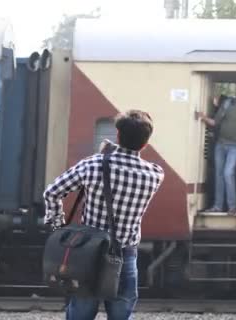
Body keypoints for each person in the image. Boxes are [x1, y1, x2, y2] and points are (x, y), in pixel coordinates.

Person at [43, 110, 164, 320]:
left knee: (80, 312)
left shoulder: (93, 164)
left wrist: (58, 227)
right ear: (145, 144)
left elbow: (52, 193)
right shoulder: (154, 175)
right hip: (124, 256)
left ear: (117, 135)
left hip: (86, 253)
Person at [195, 81, 236, 215]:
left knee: (227, 173)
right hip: (220, 144)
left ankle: (232, 207)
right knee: (219, 175)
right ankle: (218, 206)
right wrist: (202, 117)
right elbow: (215, 122)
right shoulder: (227, 103)